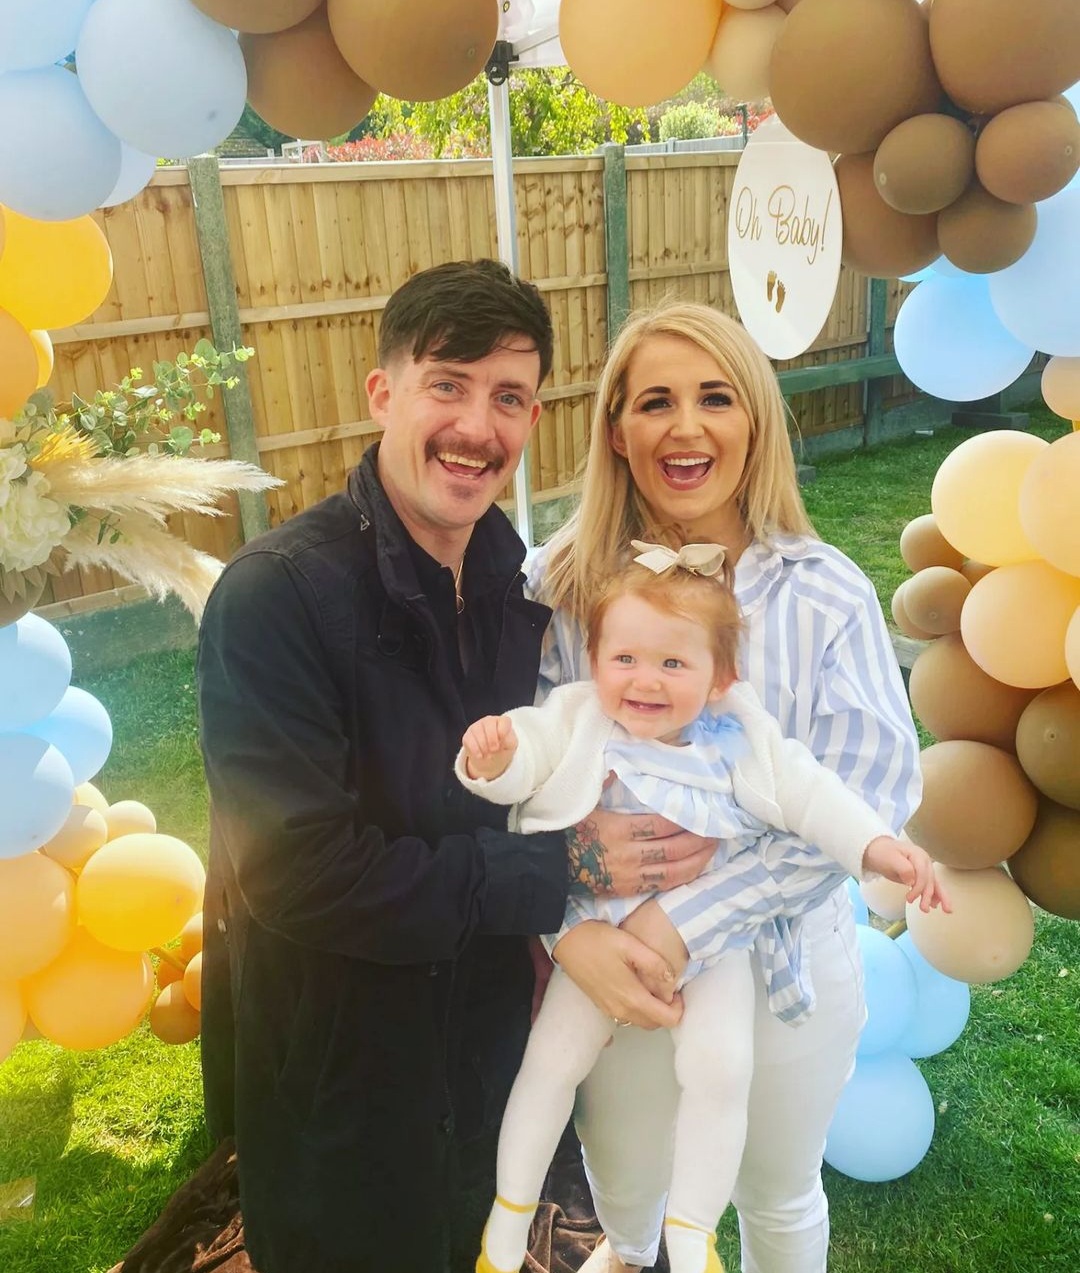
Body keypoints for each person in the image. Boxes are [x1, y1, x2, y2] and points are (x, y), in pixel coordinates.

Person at [197, 258, 597, 1273]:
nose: (478, 426)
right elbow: (296, 871)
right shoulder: (277, 597)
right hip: (348, 1083)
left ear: (533, 418)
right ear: (384, 394)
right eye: (448, 384)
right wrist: (551, 878)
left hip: (495, 1057)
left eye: (508, 396)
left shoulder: (528, 591)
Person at [527, 301, 924, 1273]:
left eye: (716, 397)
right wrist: (574, 923)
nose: (687, 426)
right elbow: (532, 789)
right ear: (616, 432)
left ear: (755, 419)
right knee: (626, 1211)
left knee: (778, 1203)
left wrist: (686, 922)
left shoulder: (825, 594)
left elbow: (868, 790)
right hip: (612, 970)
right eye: (655, 402)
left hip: (787, 978)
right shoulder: (560, 588)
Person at [459, 549, 943, 1273]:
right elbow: (530, 752)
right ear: (593, 658)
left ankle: (692, 1231)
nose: (645, 679)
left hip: (715, 949)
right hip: (597, 932)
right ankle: (508, 1218)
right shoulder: (582, 712)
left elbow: (811, 793)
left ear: (721, 678)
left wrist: (875, 845)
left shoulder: (733, 730)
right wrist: (494, 758)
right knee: (550, 1065)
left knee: (723, 1068)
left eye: (673, 665)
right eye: (623, 657)